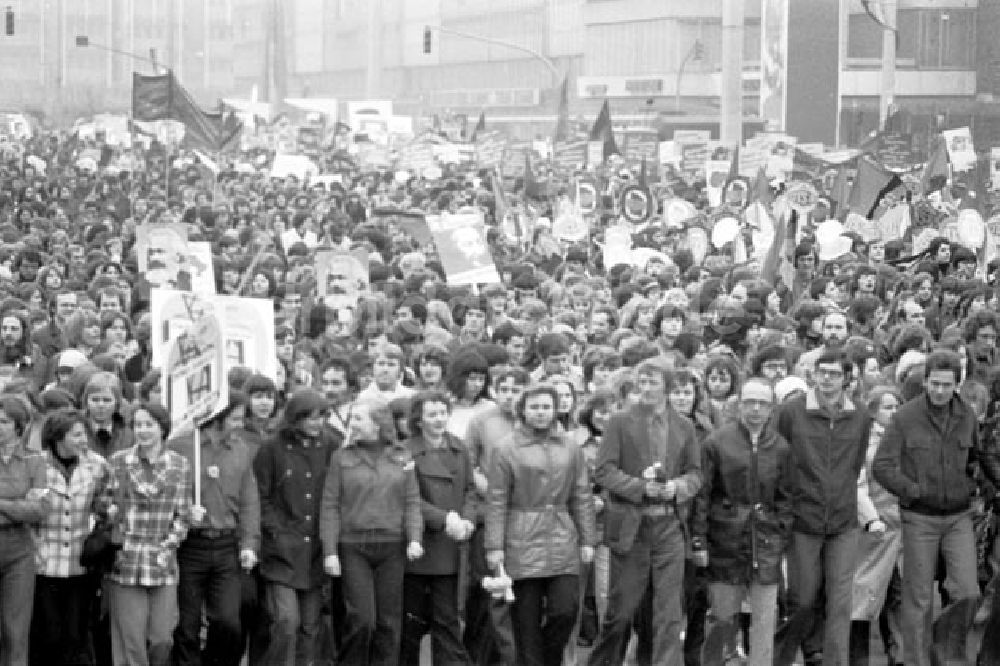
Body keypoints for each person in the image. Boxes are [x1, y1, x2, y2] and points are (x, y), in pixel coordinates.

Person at [873, 350, 1000, 666]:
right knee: (918, 599)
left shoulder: (966, 416)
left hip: (959, 515)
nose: (940, 391)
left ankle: (948, 655)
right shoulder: (905, 418)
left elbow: (979, 457)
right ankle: (916, 661)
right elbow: (882, 466)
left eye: (946, 385)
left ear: (956, 385)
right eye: (934, 384)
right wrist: (912, 491)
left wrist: (990, 484)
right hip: (919, 517)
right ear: (925, 381)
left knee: (968, 591)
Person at [586, 359, 702, 666]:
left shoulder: (685, 425)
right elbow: (604, 472)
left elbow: (695, 474)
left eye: (653, 382)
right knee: (620, 612)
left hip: (669, 527)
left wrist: (676, 487)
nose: (646, 388)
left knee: (669, 613)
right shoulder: (619, 422)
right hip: (631, 528)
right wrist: (640, 487)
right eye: (642, 382)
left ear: (667, 386)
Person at [773, 349, 872, 666]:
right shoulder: (791, 412)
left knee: (841, 602)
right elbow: (779, 458)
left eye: (834, 373)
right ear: (813, 374)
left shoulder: (859, 415)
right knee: (802, 601)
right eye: (822, 372)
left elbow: (855, 465)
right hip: (803, 519)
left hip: (843, 521)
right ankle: (783, 656)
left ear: (846, 379)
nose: (827, 379)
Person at [485, 384, 596, 666]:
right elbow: (497, 500)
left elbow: (581, 495)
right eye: (534, 407)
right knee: (526, 623)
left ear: (557, 408)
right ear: (522, 410)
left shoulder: (571, 447)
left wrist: (587, 539)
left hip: (562, 535)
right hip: (520, 537)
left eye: (546, 406)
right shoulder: (506, 448)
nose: (540, 413)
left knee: (565, 611)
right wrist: (494, 546)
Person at [692, 378, 792, 666]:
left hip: (766, 542)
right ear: (739, 404)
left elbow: (786, 497)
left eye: (762, 403)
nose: (755, 409)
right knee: (722, 617)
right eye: (750, 402)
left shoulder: (780, 446)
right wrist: (699, 540)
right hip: (725, 540)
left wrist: (780, 533)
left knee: (764, 619)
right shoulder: (717, 442)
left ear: (771, 408)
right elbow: (702, 495)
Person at [320, 396, 424, 665]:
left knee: (389, 623)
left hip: (392, 546)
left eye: (357, 418)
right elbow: (330, 504)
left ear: (377, 423)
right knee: (361, 620)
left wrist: (415, 538)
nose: (351, 423)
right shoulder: (341, 457)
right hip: (353, 546)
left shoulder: (402, 455)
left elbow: (412, 500)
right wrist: (330, 551)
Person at [169, 397, 261, 666]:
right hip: (189, 546)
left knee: (228, 621)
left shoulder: (241, 449)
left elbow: (249, 502)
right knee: (187, 626)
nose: (240, 424)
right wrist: (186, 512)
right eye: (235, 418)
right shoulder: (181, 447)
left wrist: (248, 545)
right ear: (216, 417)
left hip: (226, 547)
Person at [254, 388, 338, 665]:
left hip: (315, 549)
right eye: (311, 418)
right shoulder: (271, 448)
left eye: (322, 417)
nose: (318, 423)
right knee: (287, 622)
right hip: (281, 552)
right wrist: (276, 531)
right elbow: (260, 496)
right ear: (296, 418)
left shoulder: (331, 445)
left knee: (311, 628)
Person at [105, 402, 192, 666]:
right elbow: (103, 505)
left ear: (162, 428)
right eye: (138, 425)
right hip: (126, 558)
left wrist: (170, 544)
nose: (143, 431)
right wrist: (108, 514)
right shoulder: (118, 462)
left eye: (149, 425)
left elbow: (183, 514)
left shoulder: (180, 465)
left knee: (162, 638)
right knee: (130, 641)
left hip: (162, 559)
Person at [399, 390, 476, 666]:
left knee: (448, 621)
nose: (438, 419)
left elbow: (470, 490)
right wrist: (444, 519)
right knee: (410, 625)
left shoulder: (459, 447)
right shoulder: (405, 451)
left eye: (443, 412)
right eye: (432, 414)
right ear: (419, 419)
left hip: (451, 549)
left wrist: (467, 520)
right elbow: (408, 499)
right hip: (419, 549)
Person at [30, 408, 109, 666]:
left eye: (84, 434)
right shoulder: (36, 465)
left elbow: (104, 502)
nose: (83, 440)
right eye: (76, 435)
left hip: (80, 564)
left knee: (75, 637)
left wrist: (105, 513)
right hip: (43, 564)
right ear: (58, 437)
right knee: (48, 636)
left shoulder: (96, 466)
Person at [850, 386, 905, 665]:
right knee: (864, 596)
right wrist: (871, 519)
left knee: (897, 594)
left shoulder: (904, 438)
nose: (893, 412)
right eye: (887, 407)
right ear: (872, 411)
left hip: (903, 528)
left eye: (896, 406)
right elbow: (858, 486)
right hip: (874, 528)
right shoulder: (863, 443)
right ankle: (858, 658)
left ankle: (899, 656)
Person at [0, 396, 49, 666]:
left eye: (4, 422)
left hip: (19, 550)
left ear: (19, 426)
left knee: (15, 630)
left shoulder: (34, 462)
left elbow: (39, 509)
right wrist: (18, 506)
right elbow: (27, 507)